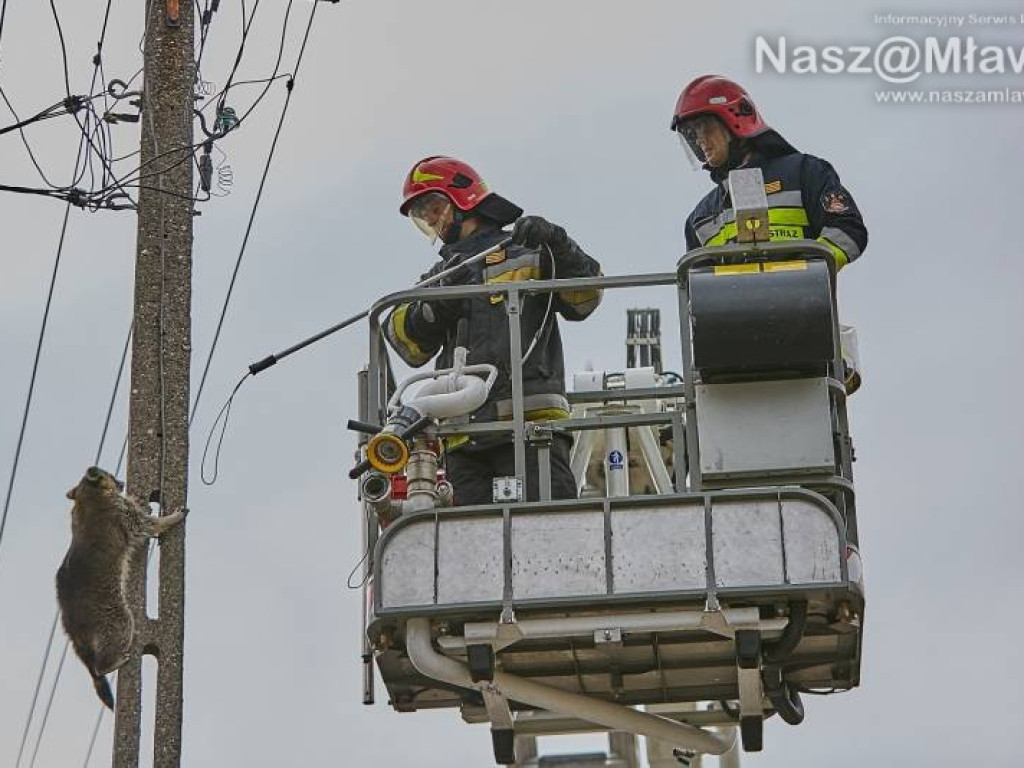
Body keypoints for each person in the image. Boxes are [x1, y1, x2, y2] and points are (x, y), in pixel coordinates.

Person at [384, 156, 603, 505]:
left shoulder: (530, 253)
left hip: (533, 431)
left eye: (434, 208)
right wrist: (437, 304)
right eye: (423, 216)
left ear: (464, 199)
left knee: (553, 540)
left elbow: (586, 299)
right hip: (464, 441)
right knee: (470, 551)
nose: (432, 221)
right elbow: (404, 342)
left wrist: (558, 245)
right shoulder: (441, 276)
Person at [671, 75, 867, 269]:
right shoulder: (699, 218)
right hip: (735, 301)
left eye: (706, 129)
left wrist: (807, 270)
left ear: (734, 121)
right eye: (693, 134)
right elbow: (698, 288)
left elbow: (848, 230)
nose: (699, 140)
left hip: (803, 299)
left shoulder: (804, 173)